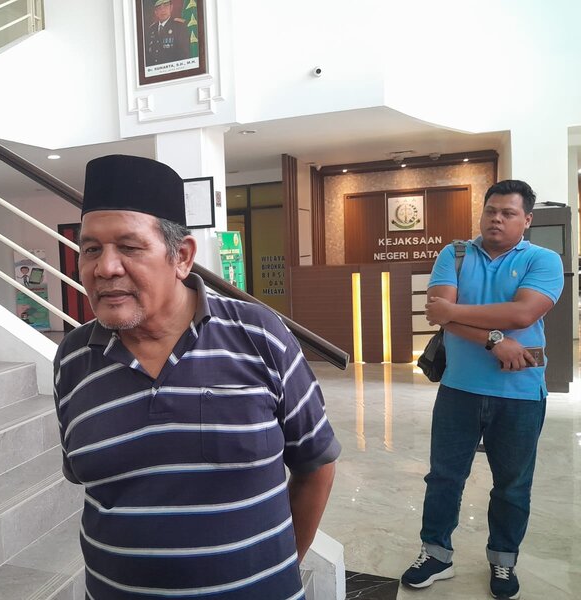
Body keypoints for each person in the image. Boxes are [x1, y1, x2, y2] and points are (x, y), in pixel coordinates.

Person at [54, 154, 341, 599]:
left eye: (129, 247)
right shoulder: (72, 360)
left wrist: (275, 574)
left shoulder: (259, 335)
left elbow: (316, 464)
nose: (105, 268)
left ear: (182, 257)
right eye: (91, 249)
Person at [401, 180, 564, 599]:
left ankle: (503, 559)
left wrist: (455, 311)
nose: (497, 219)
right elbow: (440, 316)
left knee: (512, 484)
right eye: (491, 210)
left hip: (520, 394)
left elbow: (522, 313)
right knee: (444, 477)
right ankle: (436, 554)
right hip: (458, 390)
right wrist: (495, 339)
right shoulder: (455, 254)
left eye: (508, 213)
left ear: (527, 220)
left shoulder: (543, 259)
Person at [145, 0, 190, 66]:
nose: (163, 10)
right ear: (156, 12)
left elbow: (184, 55)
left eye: (166, 6)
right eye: (159, 8)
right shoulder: (151, 29)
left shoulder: (179, 27)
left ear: (171, 8)